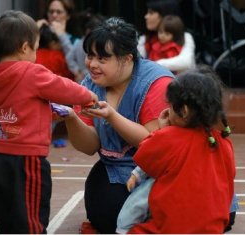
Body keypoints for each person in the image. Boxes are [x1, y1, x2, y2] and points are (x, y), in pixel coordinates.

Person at [62, 17, 175, 233]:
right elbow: (89, 146)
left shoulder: (156, 82)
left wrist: (112, 117)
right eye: (90, 56)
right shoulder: (88, 84)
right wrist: (71, 118)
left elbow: (154, 143)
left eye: (102, 59)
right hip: (116, 168)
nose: (92, 65)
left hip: (158, 170)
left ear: (127, 58)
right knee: (104, 213)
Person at [0, 10, 98, 234]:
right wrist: (88, 96)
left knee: (6, 214)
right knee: (31, 217)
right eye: (36, 46)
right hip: (26, 158)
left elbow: (20, 104)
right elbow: (63, 87)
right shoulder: (32, 72)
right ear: (25, 48)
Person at [115, 67, 235, 233]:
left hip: (172, 227)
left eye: (170, 106)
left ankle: (122, 230)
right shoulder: (222, 141)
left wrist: (161, 130)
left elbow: (145, 157)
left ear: (183, 111)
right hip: (213, 227)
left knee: (131, 220)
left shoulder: (170, 137)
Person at [138, 0, 196, 73]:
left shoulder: (185, 36)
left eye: (151, 13)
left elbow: (185, 62)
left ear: (163, 14)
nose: (146, 16)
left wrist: (153, 64)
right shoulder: (144, 39)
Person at [66, 10, 105, 83]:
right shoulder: (80, 43)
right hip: (85, 79)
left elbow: (69, 58)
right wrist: (77, 71)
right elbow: (69, 58)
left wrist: (77, 71)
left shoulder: (80, 43)